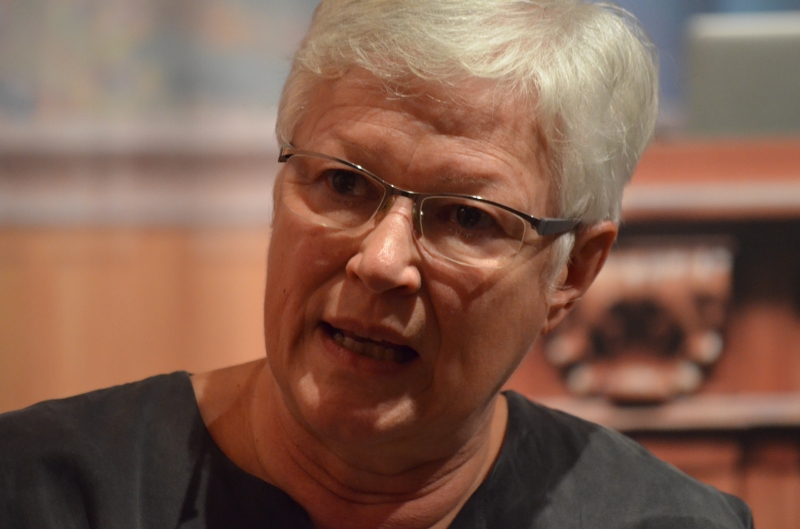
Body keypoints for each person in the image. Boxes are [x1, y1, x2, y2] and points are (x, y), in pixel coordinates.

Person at [0, 1, 753, 528]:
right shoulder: (44, 491)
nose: (382, 261)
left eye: (466, 216)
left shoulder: (665, 521)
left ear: (572, 272)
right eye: (343, 183)